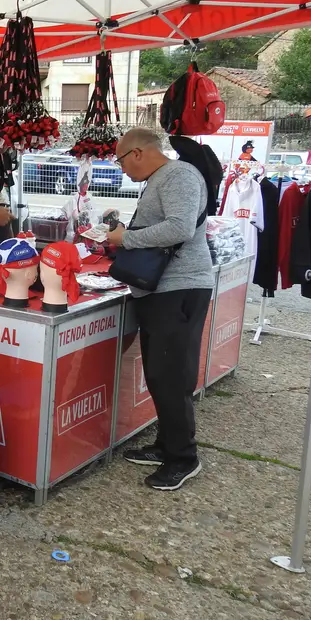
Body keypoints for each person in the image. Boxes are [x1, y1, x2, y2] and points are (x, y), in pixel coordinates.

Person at [106, 127, 214, 491]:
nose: (122, 170)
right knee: (159, 373)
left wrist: (127, 237)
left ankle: (184, 458)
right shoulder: (163, 178)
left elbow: (180, 228)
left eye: (121, 161)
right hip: (161, 290)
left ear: (137, 153)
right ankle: (167, 445)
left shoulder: (178, 175)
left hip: (179, 288)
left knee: (171, 375)